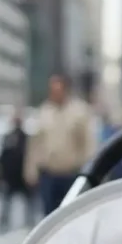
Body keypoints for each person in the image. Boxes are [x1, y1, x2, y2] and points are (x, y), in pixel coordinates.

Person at [24, 74, 96, 214]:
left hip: (71, 174)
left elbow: (88, 143)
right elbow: (35, 145)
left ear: (66, 90)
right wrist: (30, 171)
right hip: (49, 174)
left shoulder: (79, 112)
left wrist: (89, 170)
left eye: (58, 90)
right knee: (50, 216)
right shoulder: (43, 112)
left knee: (71, 214)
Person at [0, 108, 36, 230]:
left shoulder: (26, 138)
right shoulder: (8, 138)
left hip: (23, 175)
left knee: (29, 202)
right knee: (6, 201)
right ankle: (4, 222)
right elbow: (2, 156)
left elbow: (31, 156)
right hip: (10, 175)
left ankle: (29, 223)